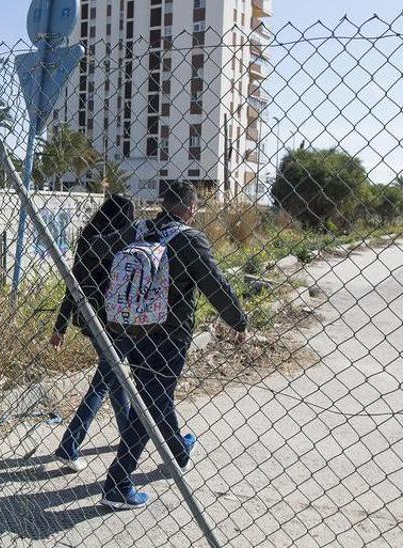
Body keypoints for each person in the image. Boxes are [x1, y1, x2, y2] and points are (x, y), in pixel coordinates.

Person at [96, 181, 248, 511]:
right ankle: (117, 483)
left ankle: (178, 449)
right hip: (170, 335)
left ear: (164, 204)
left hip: (133, 330)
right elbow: (215, 284)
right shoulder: (190, 239)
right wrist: (239, 322)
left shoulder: (138, 230)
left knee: (154, 395)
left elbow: (97, 248)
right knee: (153, 401)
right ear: (191, 209)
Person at [50, 195, 136, 473]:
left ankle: (127, 436)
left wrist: (60, 326)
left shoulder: (89, 238)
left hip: (88, 319)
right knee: (105, 380)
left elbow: (72, 284)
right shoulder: (120, 244)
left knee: (113, 377)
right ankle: (69, 445)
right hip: (114, 322)